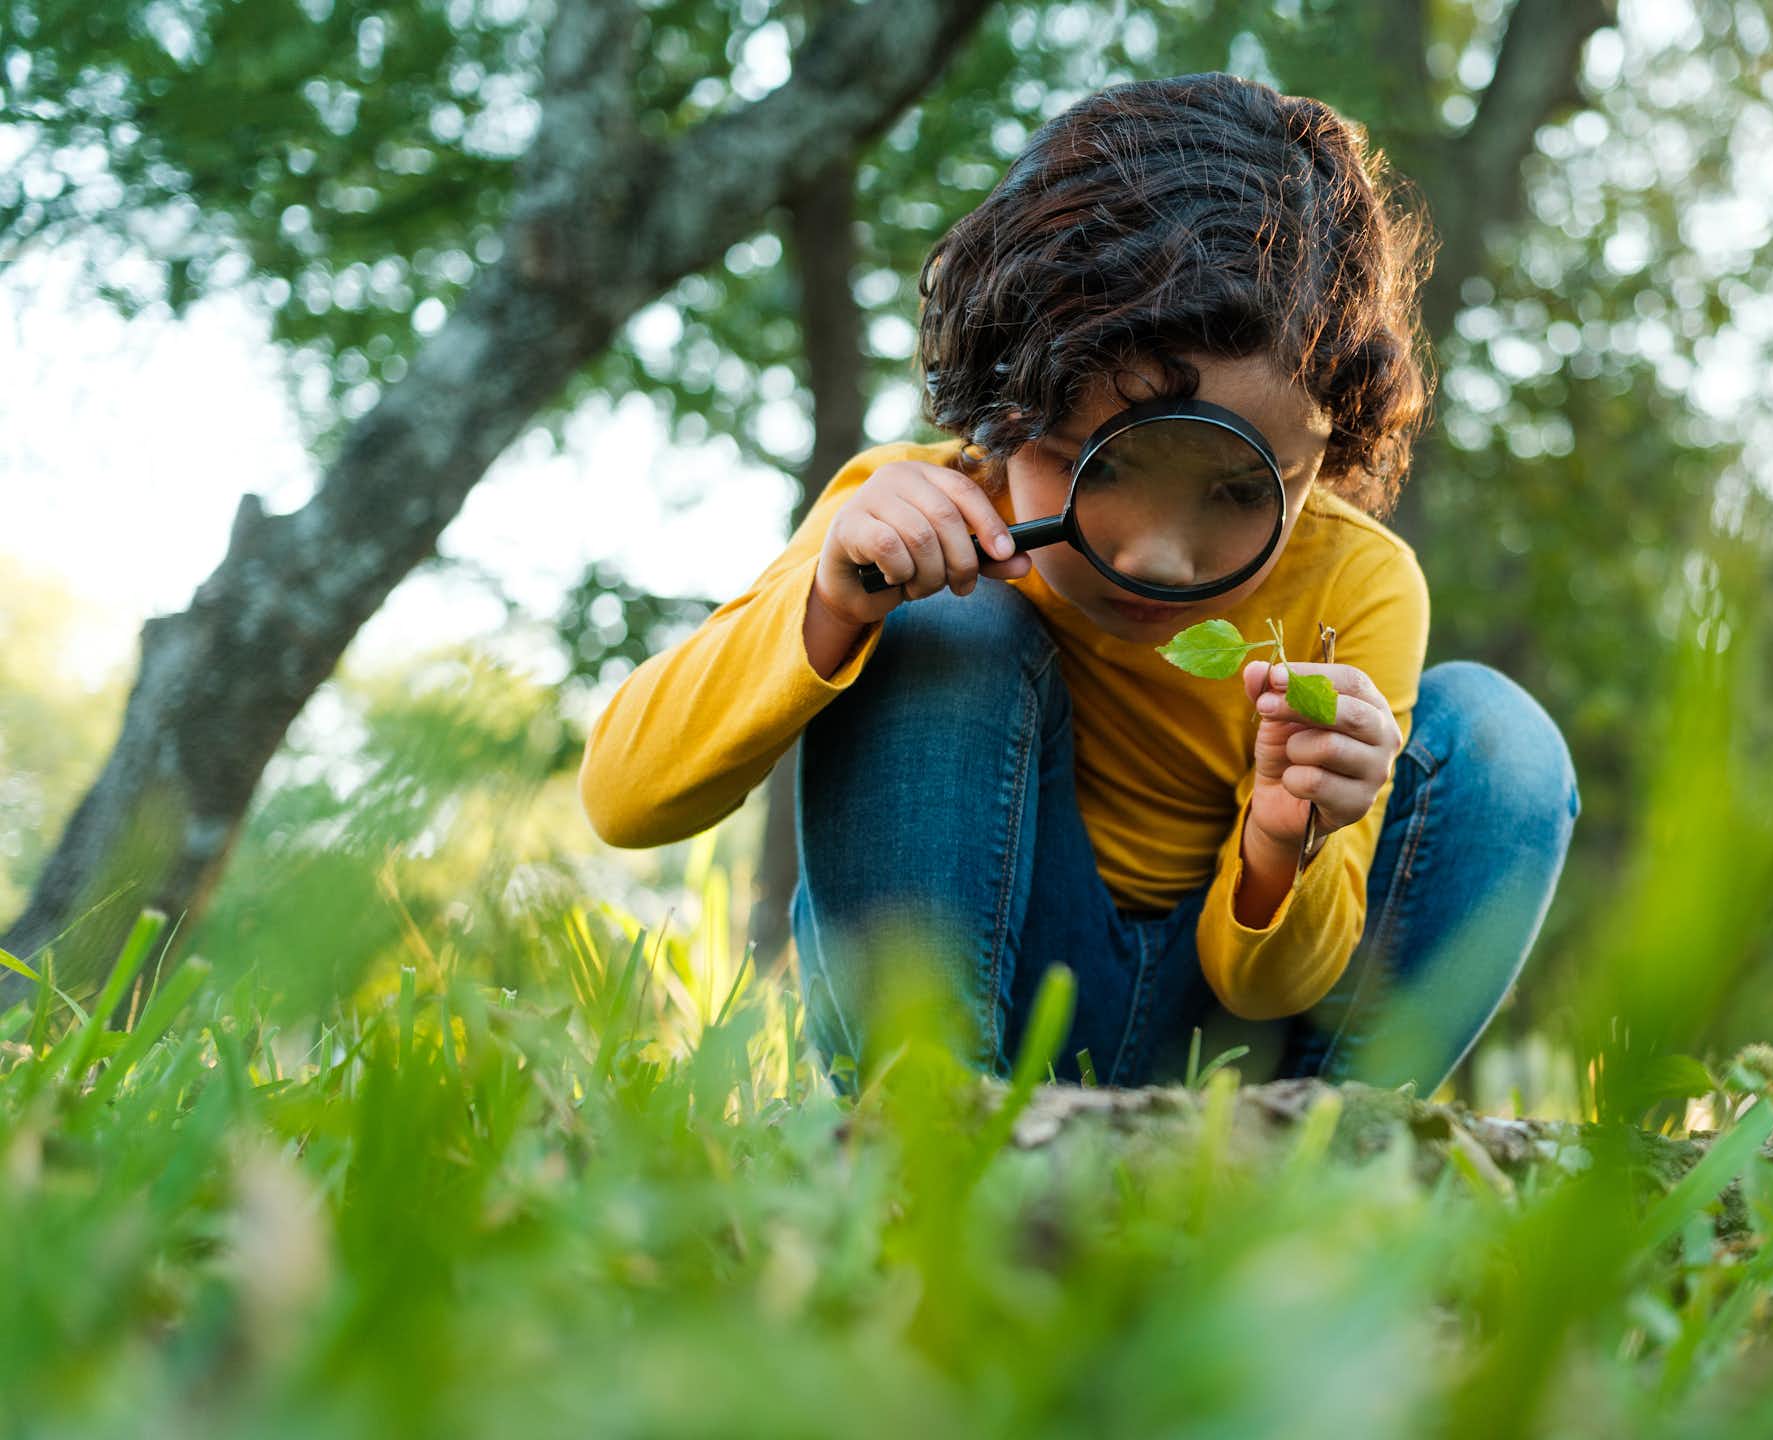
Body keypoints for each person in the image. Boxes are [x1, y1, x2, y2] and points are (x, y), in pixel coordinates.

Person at [578, 73, 1578, 1098]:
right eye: (1082, 459)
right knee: (939, 613)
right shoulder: (911, 510)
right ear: (997, 411)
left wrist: (1290, 839)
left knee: (1502, 740)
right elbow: (623, 800)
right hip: (994, 996)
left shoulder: (1355, 583)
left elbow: (1275, 985)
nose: (1156, 557)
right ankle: (923, 1132)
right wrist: (836, 605)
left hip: (1226, 1058)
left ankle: (1326, 1165)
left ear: (1326, 451)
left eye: (1239, 489)